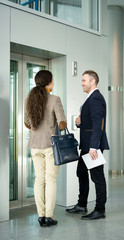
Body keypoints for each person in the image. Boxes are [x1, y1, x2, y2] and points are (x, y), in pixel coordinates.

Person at [24, 70, 67, 227]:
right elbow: (62, 123)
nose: (54, 83)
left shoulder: (29, 99)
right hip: (51, 146)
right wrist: (58, 125)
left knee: (39, 180)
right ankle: (49, 216)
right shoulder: (55, 99)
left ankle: (40, 215)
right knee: (51, 180)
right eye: (53, 80)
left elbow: (27, 123)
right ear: (48, 82)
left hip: (35, 146)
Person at [66, 70, 109, 220]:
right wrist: (80, 122)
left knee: (97, 177)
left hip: (92, 146)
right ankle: (82, 204)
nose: (82, 83)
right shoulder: (90, 98)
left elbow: (98, 124)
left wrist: (93, 147)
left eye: (84, 80)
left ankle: (100, 210)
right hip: (87, 145)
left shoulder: (96, 98)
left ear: (93, 81)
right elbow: (90, 122)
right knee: (81, 173)